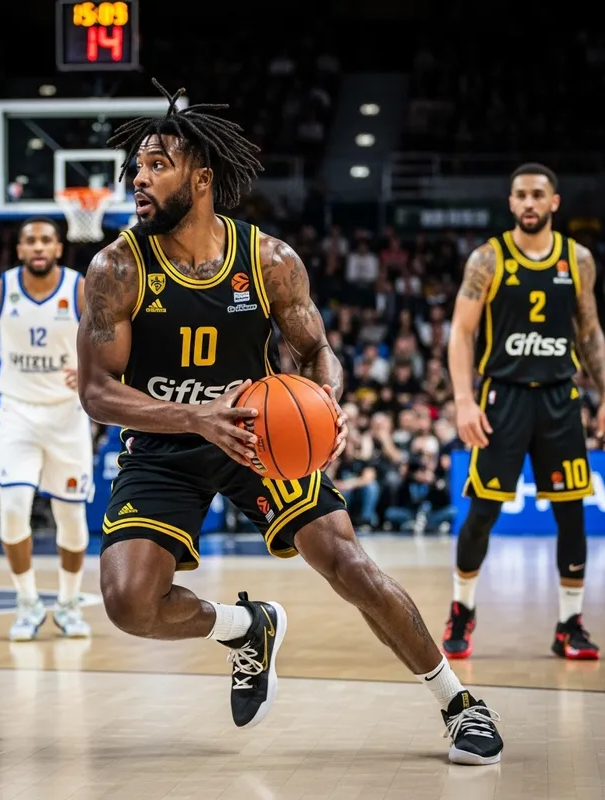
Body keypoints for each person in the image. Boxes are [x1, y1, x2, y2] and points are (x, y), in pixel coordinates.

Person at [76, 79, 504, 765]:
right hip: (165, 442)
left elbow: (314, 351)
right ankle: (245, 627)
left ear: (202, 178)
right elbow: (98, 392)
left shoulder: (268, 260)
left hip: (259, 438)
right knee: (129, 602)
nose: (139, 178)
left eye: (158, 164)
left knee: (349, 565)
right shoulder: (116, 267)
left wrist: (327, 402)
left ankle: (459, 703)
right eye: (137, 167)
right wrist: (196, 416)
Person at [444, 163, 603, 661]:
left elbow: (590, 333)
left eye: (537, 194)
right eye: (520, 195)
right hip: (503, 398)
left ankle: (570, 624)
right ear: (511, 202)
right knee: (482, 513)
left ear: (554, 202)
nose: (529, 202)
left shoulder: (578, 259)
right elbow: (461, 332)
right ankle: (462, 609)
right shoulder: (488, 259)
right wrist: (464, 400)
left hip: (559, 397)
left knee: (571, 514)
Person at [0, 219, 92, 641]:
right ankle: (27, 603)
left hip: (67, 415)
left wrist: (90, 369)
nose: (39, 246)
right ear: (20, 249)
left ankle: (68, 604)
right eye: (31, 241)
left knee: (71, 518)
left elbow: (109, 338)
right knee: (11, 511)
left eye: (46, 240)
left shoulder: (79, 288)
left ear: (59, 248)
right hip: (16, 413)